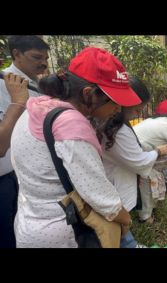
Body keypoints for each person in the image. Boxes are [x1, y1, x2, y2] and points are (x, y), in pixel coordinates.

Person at [10, 47, 141, 248]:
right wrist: (125, 220)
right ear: (88, 94)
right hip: (65, 234)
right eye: (114, 101)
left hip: (29, 225)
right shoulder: (72, 126)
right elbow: (102, 199)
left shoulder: (37, 107)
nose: (118, 109)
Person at [99, 76, 167, 248]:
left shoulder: (116, 125)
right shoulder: (118, 131)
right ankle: (129, 244)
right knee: (117, 221)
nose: (139, 114)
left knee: (119, 223)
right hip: (115, 185)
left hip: (117, 178)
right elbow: (139, 162)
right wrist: (157, 151)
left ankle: (129, 242)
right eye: (137, 110)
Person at [0, 35, 50, 248]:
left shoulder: (36, 85)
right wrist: (18, 103)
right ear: (16, 55)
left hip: (20, 174)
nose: (43, 63)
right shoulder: (4, 84)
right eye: (36, 57)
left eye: (45, 58)